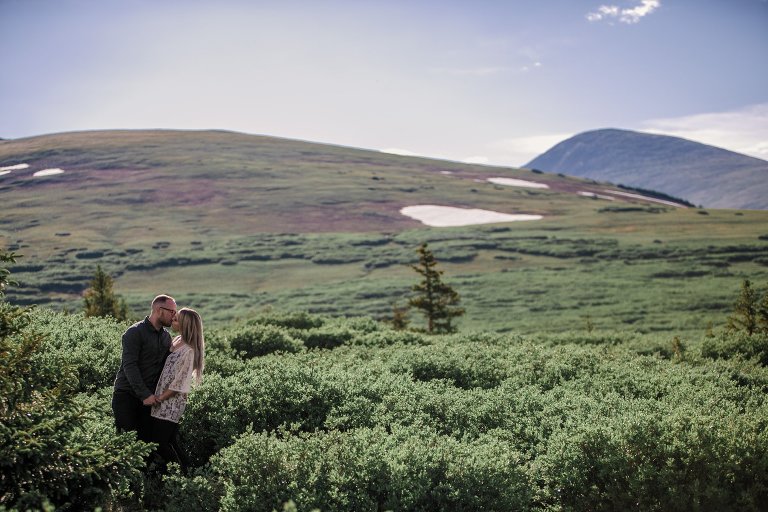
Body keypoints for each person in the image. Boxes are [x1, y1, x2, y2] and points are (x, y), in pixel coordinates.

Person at [112, 294, 177, 442]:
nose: (174, 316)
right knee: (127, 444)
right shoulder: (134, 332)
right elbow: (130, 366)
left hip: (149, 400)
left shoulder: (166, 337)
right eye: (172, 311)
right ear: (160, 310)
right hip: (126, 396)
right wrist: (144, 395)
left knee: (146, 445)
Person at [148, 307, 205, 471]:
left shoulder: (189, 351)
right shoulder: (177, 340)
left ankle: (179, 474)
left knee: (159, 442)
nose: (172, 320)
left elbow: (179, 384)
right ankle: (189, 471)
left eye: (176, 319)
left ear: (185, 325)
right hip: (162, 399)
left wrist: (159, 398)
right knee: (170, 440)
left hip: (171, 403)